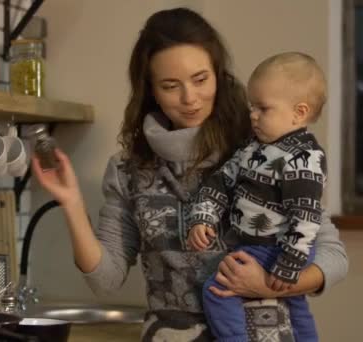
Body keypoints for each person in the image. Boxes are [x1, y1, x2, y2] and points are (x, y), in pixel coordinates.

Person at [31, 7, 348, 342]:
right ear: (150, 89)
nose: (190, 98)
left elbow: (332, 256)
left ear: (218, 76)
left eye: (200, 79)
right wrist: (71, 201)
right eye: (170, 85)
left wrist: (265, 283)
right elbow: (105, 280)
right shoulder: (128, 169)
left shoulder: (259, 150)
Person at [187, 52, 327, 342]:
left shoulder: (303, 158)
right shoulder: (253, 148)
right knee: (296, 303)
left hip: (277, 246)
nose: (253, 115)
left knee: (217, 291)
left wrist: (289, 262)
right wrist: (203, 216)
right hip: (266, 245)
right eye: (252, 106)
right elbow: (221, 181)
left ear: (298, 113)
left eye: (263, 108)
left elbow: (305, 216)